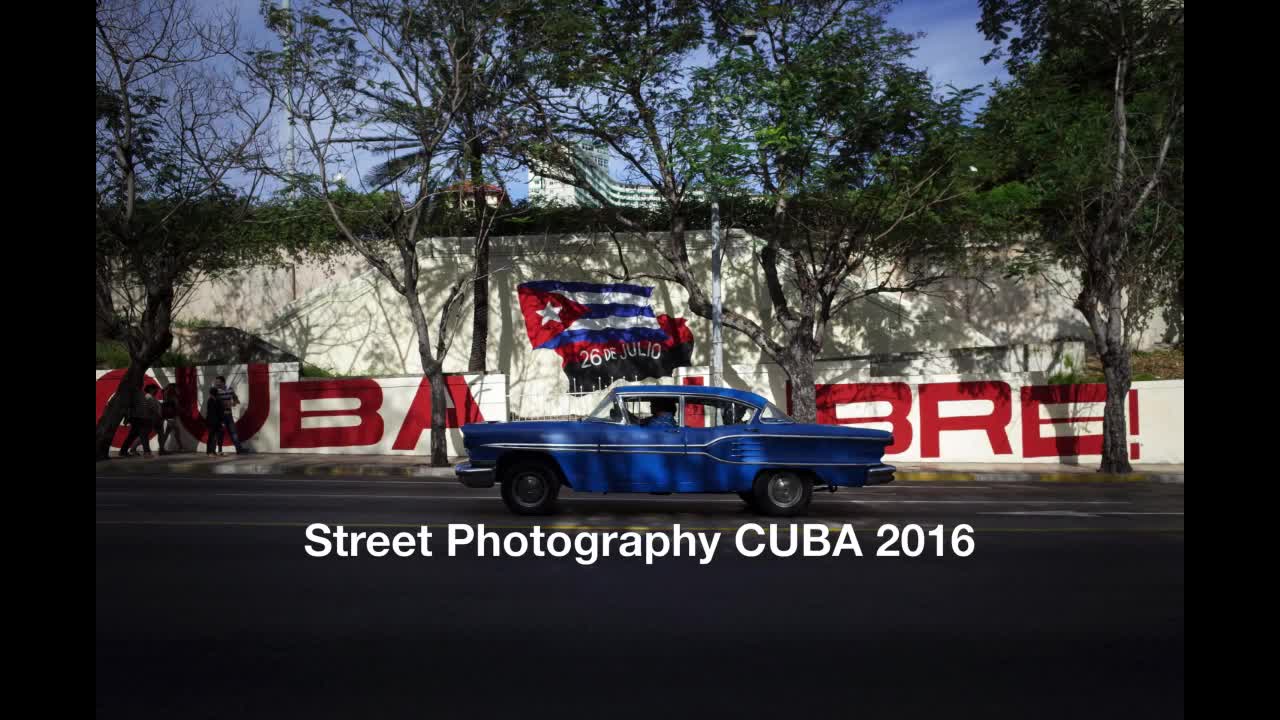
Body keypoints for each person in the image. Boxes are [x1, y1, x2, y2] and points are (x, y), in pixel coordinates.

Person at [121, 385, 162, 457]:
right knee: (144, 435)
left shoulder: (139, 396)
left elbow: (131, 408)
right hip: (144, 418)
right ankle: (146, 452)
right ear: (151, 389)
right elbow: (152, 408)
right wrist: (157, 415)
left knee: (132, 436)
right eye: (155, 389)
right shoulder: (148, 397)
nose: (156, 391)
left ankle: (123, 451)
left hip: (137, 418)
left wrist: (128, 418)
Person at [211, 376, 249, 454]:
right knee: (219, 433)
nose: (216, 383)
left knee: (233, 432)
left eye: (218, 382)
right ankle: (216, 451)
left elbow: (236, 400)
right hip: (220, 415)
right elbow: (215, 402)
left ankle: (239, 450)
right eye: (216, 382)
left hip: (229, 414)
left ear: (223, 382)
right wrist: (224, 404)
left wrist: (233, 403)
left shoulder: (230, 389)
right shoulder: (216, 391)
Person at [157, 383, 184, 454]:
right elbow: (177, 407)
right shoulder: (173, 397)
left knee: (170, 432)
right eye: (177, 388)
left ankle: (162, 447)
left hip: (168, 416)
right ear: (174, 389)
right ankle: (180, 447)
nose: (178, 390)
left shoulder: (166, 395)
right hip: (171, 417)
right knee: (176, 432)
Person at [205, 387, 225, 455]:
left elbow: (220, 412)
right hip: (213, 422)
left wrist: (221, 421)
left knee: (216, 436)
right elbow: (218, 412)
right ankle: (210, 451)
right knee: (212, 436)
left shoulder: (217, 400)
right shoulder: (211, 401)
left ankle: (214, 451)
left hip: (215, 421)